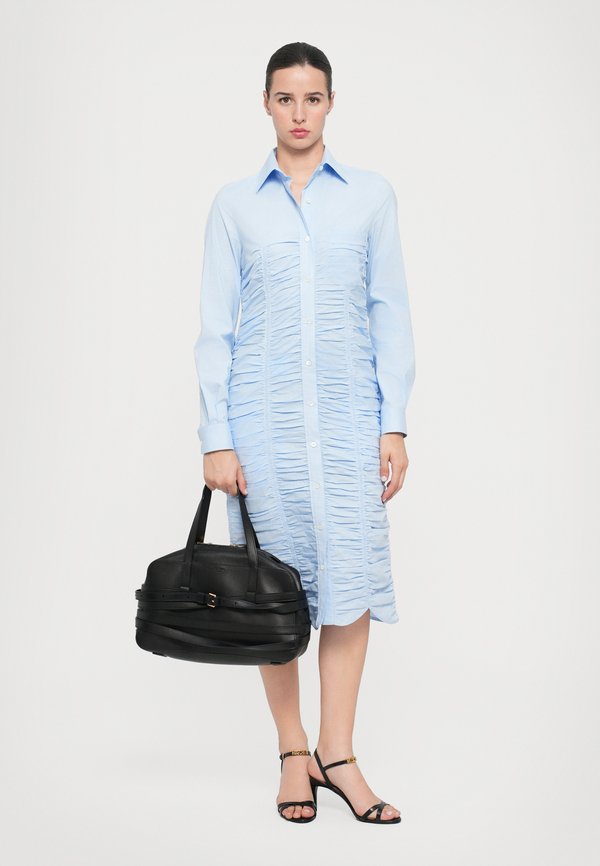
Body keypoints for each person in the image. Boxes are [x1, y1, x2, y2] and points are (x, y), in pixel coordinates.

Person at [194, 42, 415, 824]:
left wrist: (394, 424)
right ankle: (294, 752)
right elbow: (216, 329)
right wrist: (217, 436)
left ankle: (339, 754)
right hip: (265, 429)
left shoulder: (371, 198)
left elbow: (389, 312)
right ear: (266, 103)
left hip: (352, 423)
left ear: (330, 103)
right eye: (285, 98)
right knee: (273, 592)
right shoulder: (234, 206)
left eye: (312, 98)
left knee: (348, 589)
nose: (298, 113)